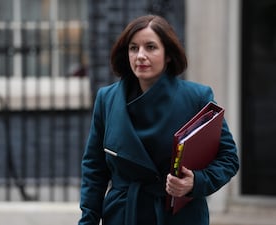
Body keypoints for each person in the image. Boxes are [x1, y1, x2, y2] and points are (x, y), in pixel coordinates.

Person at [79, 14, 239, 225]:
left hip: (179, 216)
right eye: (133, 48)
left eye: (151, 47)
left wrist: (195, 183)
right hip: (124, 214)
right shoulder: (107, 99)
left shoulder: (196, 97)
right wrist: (88, 221)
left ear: (168, 55)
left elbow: (228, 159)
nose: (140, 56)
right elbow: (94, 169)